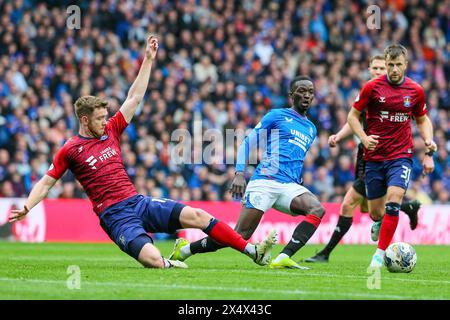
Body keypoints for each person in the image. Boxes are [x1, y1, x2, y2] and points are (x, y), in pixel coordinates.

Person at [8, 35, 277, 269]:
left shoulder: (111, 129)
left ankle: (252, 251)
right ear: (84, 120)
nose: (106, 120)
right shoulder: (71, 149)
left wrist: (147, 60)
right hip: (115, 216)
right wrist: (28, 206)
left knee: (199, 216)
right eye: (100, 117)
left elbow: (134, 98)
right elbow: (47, 181)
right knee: (151, 259)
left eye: (106, 116)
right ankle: (168, 262)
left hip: (137, 202)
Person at [170, 75, 325, 269]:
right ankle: (185, 250)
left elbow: (295, 157)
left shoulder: (311, 128)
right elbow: (248, 143)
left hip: (290, 185)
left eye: (311, 92)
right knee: (240, 236)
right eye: (302, 91)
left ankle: (284, 256)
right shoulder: (276, 115)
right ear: (291, 95)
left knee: (317, 209)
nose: (307, 95)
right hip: (265, 181)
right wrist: (239, 173)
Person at [305, 55, 422, 263]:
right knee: (369, 209)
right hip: (367, 156)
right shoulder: (370, 91)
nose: (378, 71)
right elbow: (354, 120)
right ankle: (407, 207)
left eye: (381, 68)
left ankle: (326, 253)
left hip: (387, 156)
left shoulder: (393, 92)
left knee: (350, 204)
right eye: (375, 68)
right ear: (369, 69)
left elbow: (417, 117)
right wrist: (339, 137)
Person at [346, 44, 436, 268]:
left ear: (405, 65)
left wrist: (428, 144)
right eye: (390, 65)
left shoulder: (415, 90)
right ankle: (379, 224)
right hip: (374, 157)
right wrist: (364, 138)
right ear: (386, 65)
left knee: (394, 200)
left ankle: (379, 255)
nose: (394, 69)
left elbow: (423, 120)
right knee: (376, 212)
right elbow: (352, 117)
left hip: (401, 155)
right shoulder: (372, 87)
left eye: (398, 65)